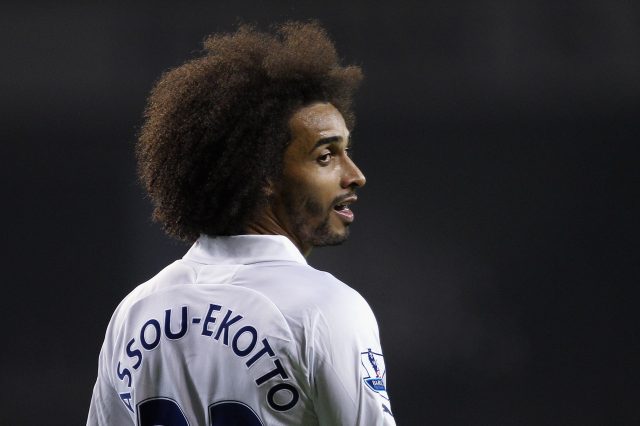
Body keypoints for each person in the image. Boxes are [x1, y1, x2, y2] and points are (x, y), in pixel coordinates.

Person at [88, 21, 395, 425]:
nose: (354, 174)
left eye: (347, 151)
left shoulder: (135, 312)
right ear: (263, 174)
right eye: (326, 156)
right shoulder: (325, 309)